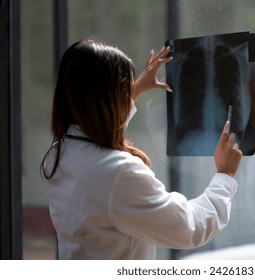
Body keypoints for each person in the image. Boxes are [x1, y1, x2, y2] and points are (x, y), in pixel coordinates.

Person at [40, 39, 243, 260]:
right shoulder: (118, 173)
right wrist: (225, 176)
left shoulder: (59, 153)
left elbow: (98, 129)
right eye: (124, 91)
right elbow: (190, 227)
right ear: (109, 100)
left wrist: (135, 91)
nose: (129, 94)